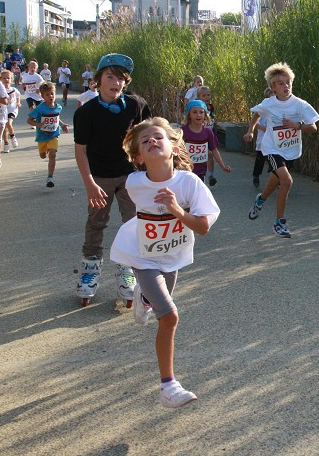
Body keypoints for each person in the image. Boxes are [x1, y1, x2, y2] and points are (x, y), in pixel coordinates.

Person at [110, 117, 220, 408]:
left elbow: (204, 227)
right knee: (169, 316)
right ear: (139, 157)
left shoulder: (189, 183)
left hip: (172, 255)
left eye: (159, 137)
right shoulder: (134, 183)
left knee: (160, 303)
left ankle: (143, 296)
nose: (152, 142)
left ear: (173, 146)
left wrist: (175, 210)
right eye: (145, 141)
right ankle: (169, 386)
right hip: (141, 254)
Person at [72, 53, 151, 306]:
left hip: (131, 176)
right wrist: (90, 184)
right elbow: (80, 150)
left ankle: (128, 270)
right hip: (100, 178)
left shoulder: (136, 105)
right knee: (97, 223)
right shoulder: (87, 112)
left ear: (126, 82)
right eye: (109, 77)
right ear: (98, 80)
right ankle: (89, 271)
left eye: (120, 79)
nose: (115, 83)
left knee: (134, 223)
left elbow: (146, 134)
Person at [243, 62, 319, 238]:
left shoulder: (300, 104)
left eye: (288, 82)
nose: (286, 86)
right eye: (281, 83)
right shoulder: (268, 104)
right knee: (287, 181)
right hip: (271, 148)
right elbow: (257, 114)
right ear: (273, 87)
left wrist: (297, 125)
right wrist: (250, 130)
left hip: (291, 150)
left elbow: (313, 127)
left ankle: (260, 200)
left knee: (273, 183)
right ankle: (279, 223)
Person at [26, 82, 69, 188]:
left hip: (53, 134)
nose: (50, 96)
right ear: (42, 96)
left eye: (52, 93)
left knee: (53, 154)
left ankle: (50, 177)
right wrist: (38, 124)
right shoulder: (39, 109)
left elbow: (56, 118)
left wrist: (62, 125)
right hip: (42, 136)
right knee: (43, 155)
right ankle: (43, 150)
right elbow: (29, 120)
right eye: (47, 94)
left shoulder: (58, 107)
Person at [180, 100, 231, 184]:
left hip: (201, 172)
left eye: (201, 112)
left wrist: (223, 166)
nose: (198, 115)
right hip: (186, 171)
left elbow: (214, 150)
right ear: (189, 114)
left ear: (205, 115)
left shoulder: (208, 132)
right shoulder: (183, 131)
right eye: (194, 112)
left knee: (198, 195)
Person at [251, 87, 273, 188]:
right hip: (263, 138)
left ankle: (276, 177)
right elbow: (256, 122)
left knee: (275, 157)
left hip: (274, 140)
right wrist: (264, 128)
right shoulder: (263, 107)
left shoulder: (278, 108)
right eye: (271, 95)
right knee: (260, 159)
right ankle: (256, 175)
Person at [0, 70, 20, 152]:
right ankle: (6, 143)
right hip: (3, 111)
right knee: (4, 128)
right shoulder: (0, 90)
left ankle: (13, 137)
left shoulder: (13, 89)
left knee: (8, 123)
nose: (6, 80)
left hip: (12, 109)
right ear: (0, 79)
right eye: (4, 78)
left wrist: (18, 103)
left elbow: (18, 95)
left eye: (8, 78)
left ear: (11, 79)